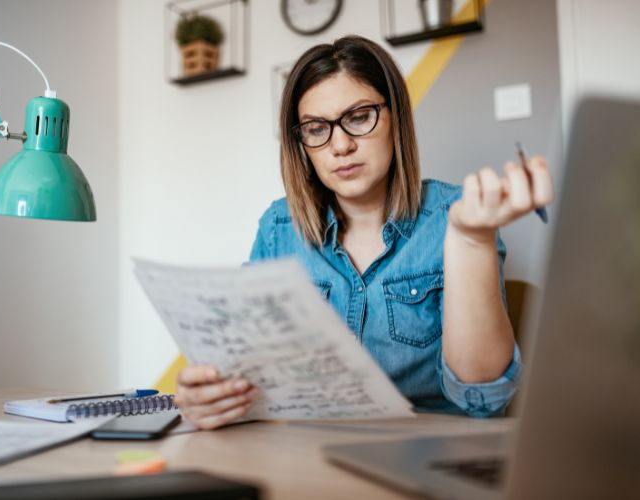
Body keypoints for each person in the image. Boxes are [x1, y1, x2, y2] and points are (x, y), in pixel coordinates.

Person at [174, 35, 554, 430]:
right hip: (310, 457)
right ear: (301, 142)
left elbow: (482, 399)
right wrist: (212, 396)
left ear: (396, 120)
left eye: (358, 117)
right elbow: (247, 376)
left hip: (427, 453)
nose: (340, 145)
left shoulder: (457, 216)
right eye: (316, 127)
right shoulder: (278, 228)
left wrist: (471, 240)